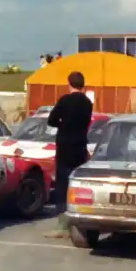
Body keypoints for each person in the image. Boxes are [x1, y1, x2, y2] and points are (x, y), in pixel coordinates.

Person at [44, 71, 93, 238]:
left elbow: (51, 120)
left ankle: (62, 225)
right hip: (80, 146)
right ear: (83, 84)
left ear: (69, 83)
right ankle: (77, 222)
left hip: (65, 146)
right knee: (77, 183)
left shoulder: (65, 100)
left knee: (63, 183)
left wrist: (63, 123)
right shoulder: (88, 103)